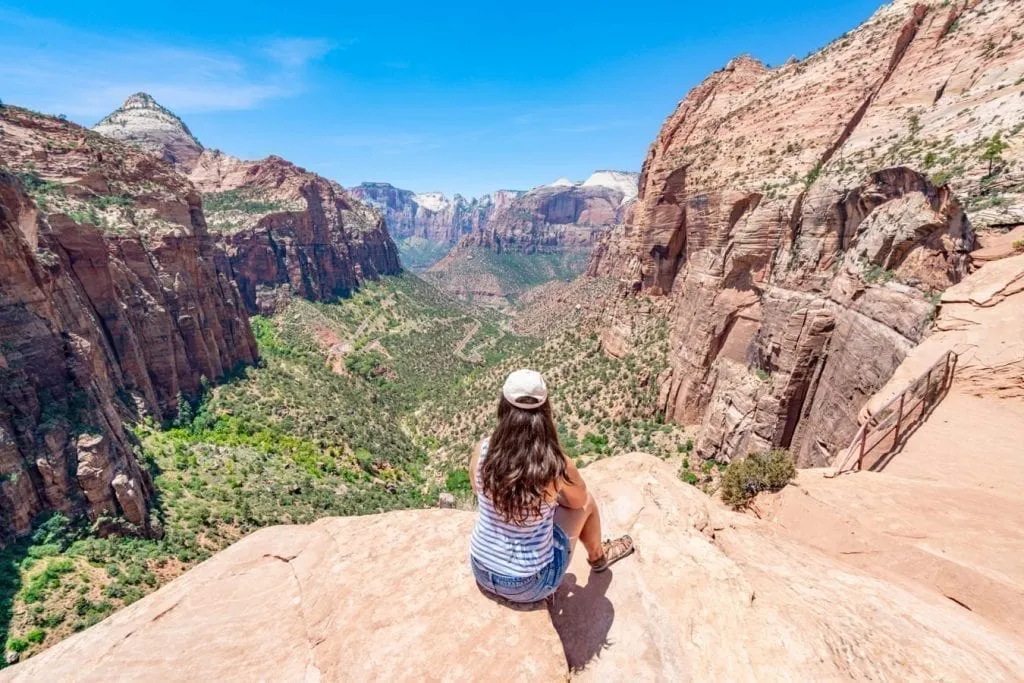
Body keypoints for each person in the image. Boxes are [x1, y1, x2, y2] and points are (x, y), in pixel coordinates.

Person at [469, 369, 634, 604]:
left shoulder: (483, 450)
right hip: (528, 584)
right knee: (588, 503)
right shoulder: (554, 464)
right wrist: (547, 500)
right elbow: (578, 502)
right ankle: (599, 557)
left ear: (503, 407)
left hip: (481, 569)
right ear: (545, 412)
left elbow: (478, 490)